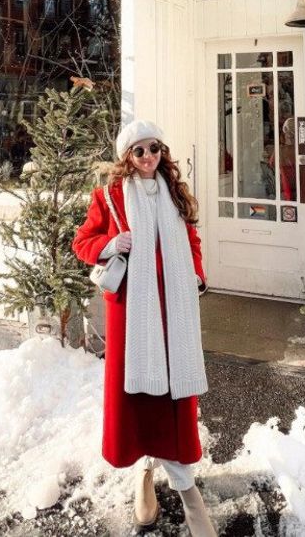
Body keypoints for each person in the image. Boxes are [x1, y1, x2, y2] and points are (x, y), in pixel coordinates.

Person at [71, 120, 214, 537]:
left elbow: (191, 242)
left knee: (172, 400)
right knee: (138, 403)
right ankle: (144, 474)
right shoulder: (110, 196)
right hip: (133, 315)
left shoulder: (174, 192)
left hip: (175, 313)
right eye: (139, 151)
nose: (148, 156)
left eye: (154, 148)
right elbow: (83, 242)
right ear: (126, 158)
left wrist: (196, 276)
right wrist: (110, 244)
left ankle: (187, 492)